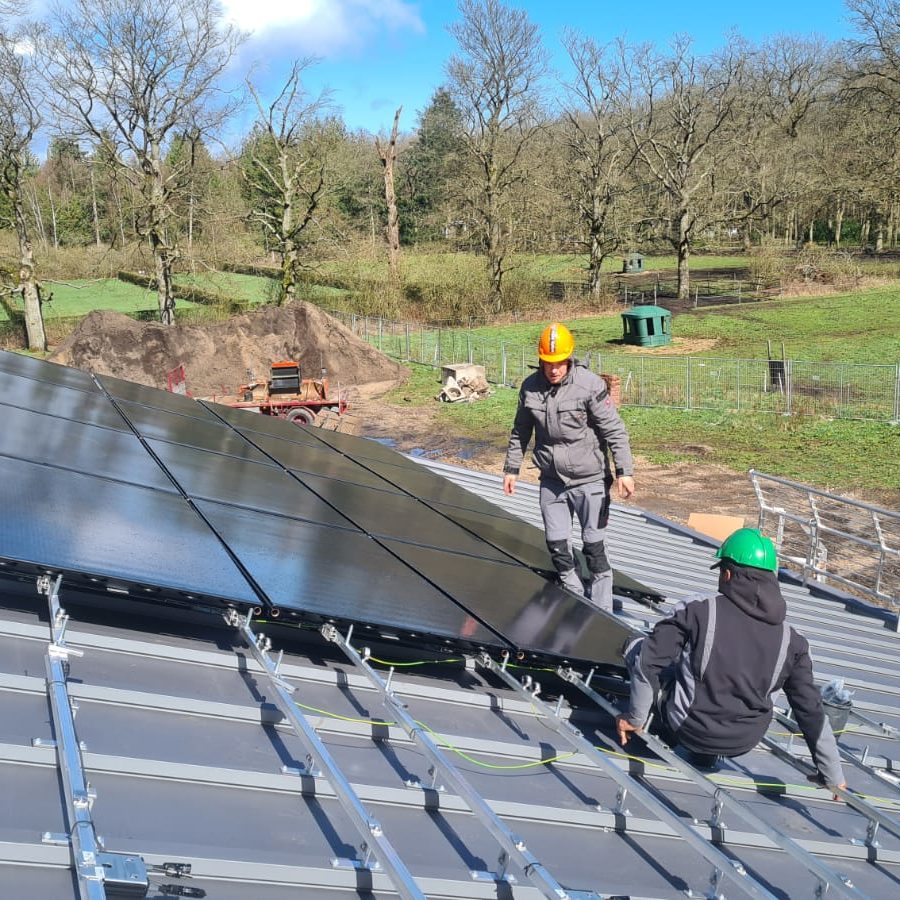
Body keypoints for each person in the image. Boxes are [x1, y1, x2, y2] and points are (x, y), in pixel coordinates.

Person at [616, 528, 846, 791]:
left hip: (688, 728)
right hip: (744, 741)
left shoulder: (699, 609)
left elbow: (649, 661)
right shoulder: (794, 641)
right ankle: (706, 750)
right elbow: (810, 709)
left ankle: (662, 725)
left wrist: (635, 718)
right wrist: (832, 773)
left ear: (728, 573)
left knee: (637, 646)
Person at [503, 322, 635, 612]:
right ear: (541, 360)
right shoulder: (530, 388)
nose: (554, 370)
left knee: (593, 548)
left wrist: (624, 472)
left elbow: (614, 429)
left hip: (590, 481)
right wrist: (512, 468)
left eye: (559, 363)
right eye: (548, 363)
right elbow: (520, 431)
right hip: (552, 481)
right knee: (558, 546)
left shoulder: (589, 386)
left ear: (569, 358)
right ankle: (575, 597)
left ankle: (600, 611)